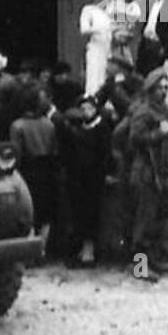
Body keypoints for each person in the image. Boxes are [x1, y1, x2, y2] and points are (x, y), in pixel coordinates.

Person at [126, 68, 168, 279]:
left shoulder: (163, 110)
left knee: (156, 222)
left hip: (161, 170)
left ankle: (152, 260)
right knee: (143, 222)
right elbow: (134, 139)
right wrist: (158, 133)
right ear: (151, 89)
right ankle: (140, 267)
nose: (164, 91)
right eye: (160, 88)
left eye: (166, 87)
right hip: (146, 171)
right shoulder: (143, 111)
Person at [55, 93, 111, 267]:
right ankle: (78, 251)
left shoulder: (100, 127)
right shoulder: (75, 127)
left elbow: (104, 154)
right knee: (77, 216)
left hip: (93, 179)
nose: (86, 111)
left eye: (89, 108)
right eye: (83, 108)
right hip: (76, 179)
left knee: (90, 216)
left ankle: (88, 253)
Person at [10, 86, 59, 236]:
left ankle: (30, 241)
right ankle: (43, 244)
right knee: (45, 213)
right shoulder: (49, 124)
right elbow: (54, 149)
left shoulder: (17, 125)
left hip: (27, 170)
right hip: (47, 169)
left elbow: (17, 153)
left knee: (28, 210)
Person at [79, 0, 113, 93]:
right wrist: (100, 29)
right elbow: (84, 30)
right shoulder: (88, 9)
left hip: (108, 48)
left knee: (106, 77)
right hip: (95, 48)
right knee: (94, 76)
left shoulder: (108, 11)